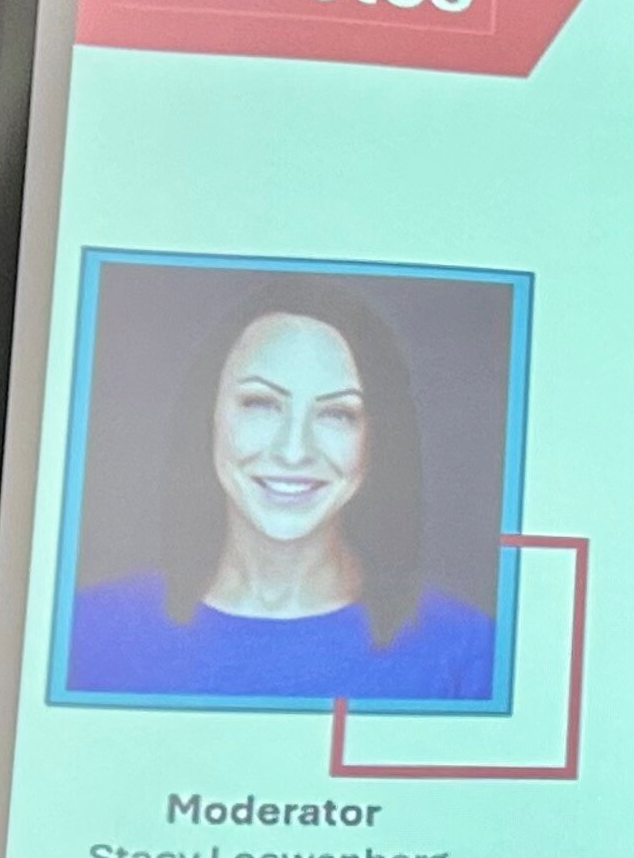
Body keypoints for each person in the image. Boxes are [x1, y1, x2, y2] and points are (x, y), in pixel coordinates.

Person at [65, 275, 501, 702]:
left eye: (337, 414)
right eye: (260, 404)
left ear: (378, 439)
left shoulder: (468, 653)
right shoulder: (85, 633)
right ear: (209, 416)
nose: (294, 451)